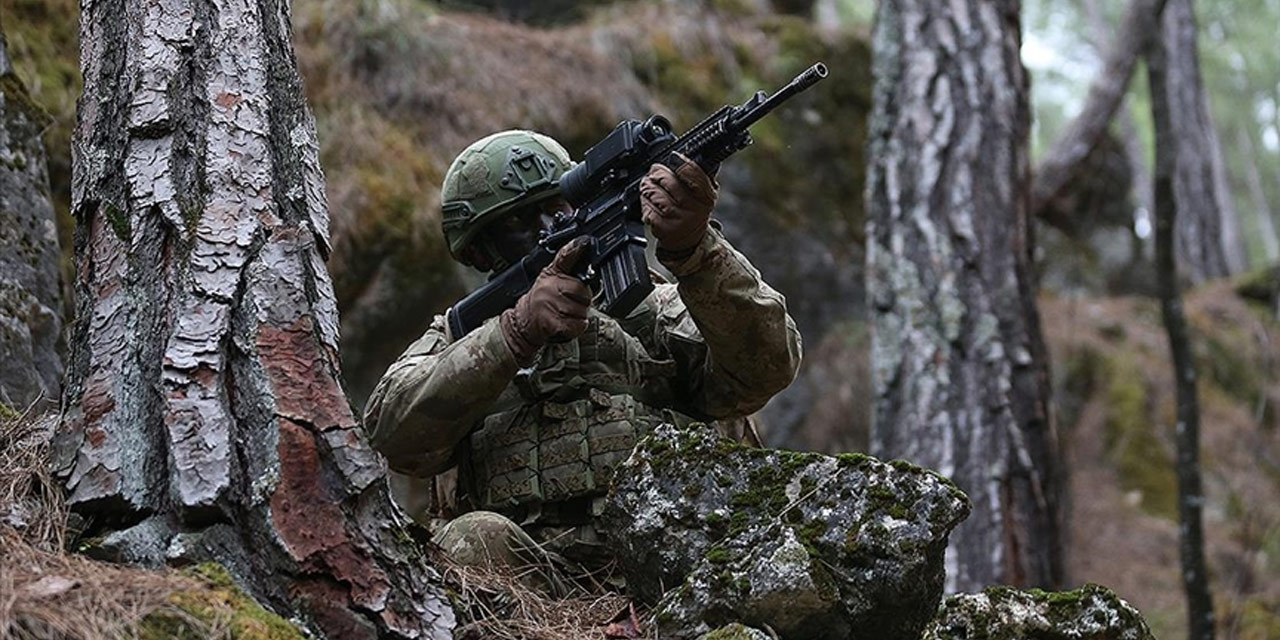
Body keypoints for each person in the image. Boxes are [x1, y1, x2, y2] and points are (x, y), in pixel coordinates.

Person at [362, 129, 801, 588]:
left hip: (670, 564)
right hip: (530, 584)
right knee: (471, 538)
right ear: (478, 249)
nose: (548, 228)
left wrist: (696, 250)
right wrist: (514, 333)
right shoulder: (460, 335)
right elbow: (391, 434)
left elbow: (768, 366)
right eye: (520, 221)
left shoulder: (658, 307)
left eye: (558, 208)